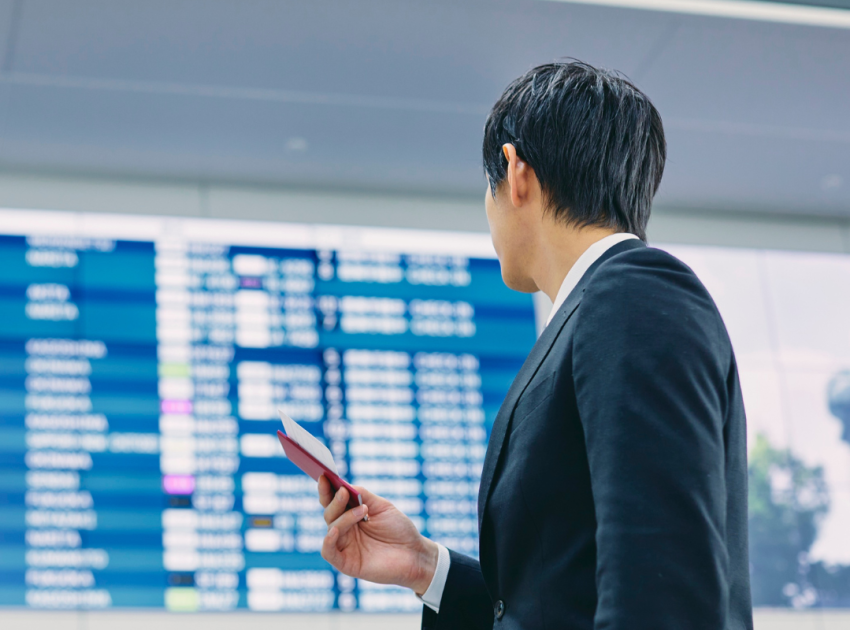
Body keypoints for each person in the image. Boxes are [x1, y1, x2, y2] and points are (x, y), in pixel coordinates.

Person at [316, 61, 753, 629]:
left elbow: (662, 591)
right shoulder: (602, 308)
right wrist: (424, 566)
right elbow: (564, 595)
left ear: (513, 169)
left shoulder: (634, 295)